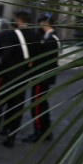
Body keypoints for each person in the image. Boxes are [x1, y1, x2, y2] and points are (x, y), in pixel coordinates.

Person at [0, 11, 39, 148]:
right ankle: (11, 135)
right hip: (23, 76)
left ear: (18, 20)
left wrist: (1, 67)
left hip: (5, 75)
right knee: (16, 106)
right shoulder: (35, 36)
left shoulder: (9, 35)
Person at [24, 14, 58, 143]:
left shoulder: (51, 39)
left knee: (37, 105)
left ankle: (39, 131)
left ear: (45, 23)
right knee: (41, 104)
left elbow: (47, 59)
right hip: (41, 76)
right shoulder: (46, 37)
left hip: (42, 76)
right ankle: (45, 130)